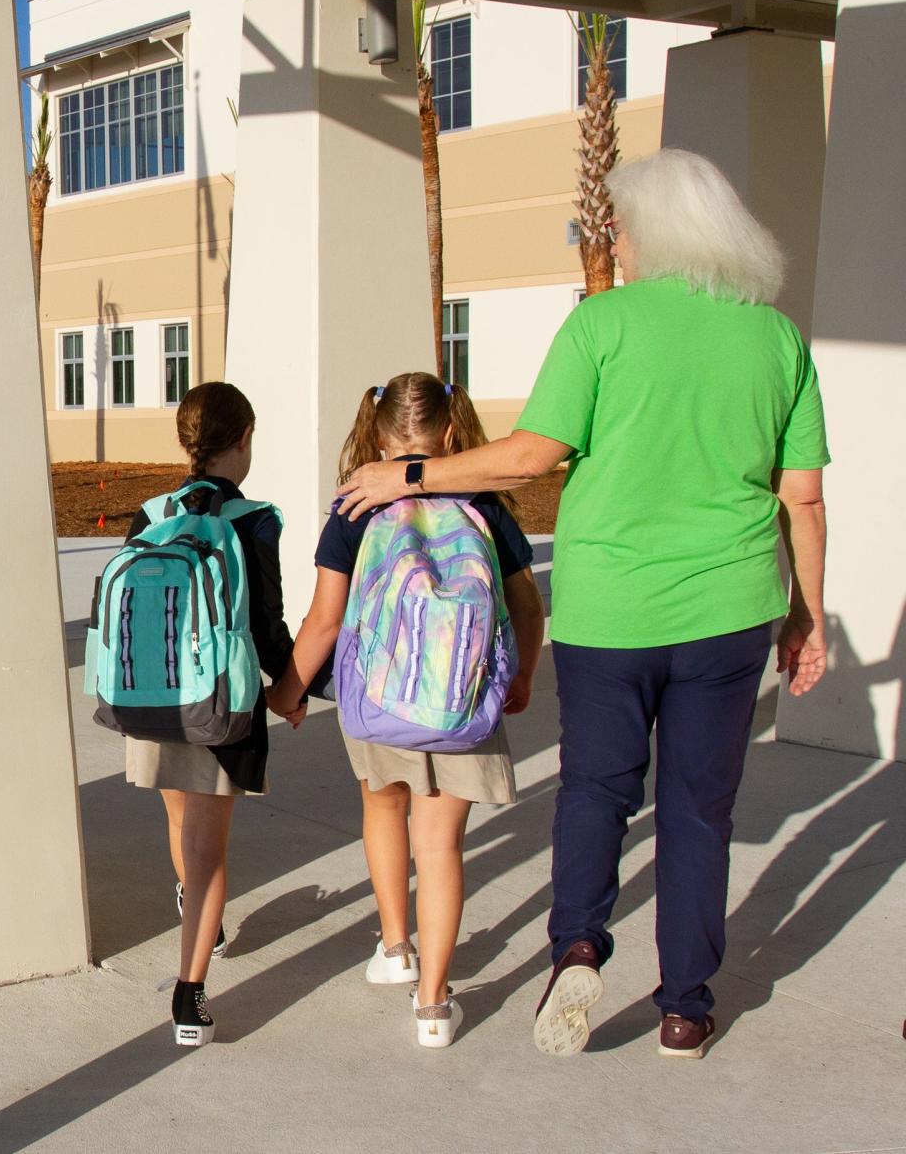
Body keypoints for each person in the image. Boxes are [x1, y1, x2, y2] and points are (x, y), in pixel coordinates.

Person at [335, 149, 830, 1059]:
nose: (620, 244)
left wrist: (408, 471)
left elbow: (530, 456)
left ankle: (577, 942)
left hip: (610, 610)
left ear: (660, 234)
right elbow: (801, 494)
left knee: (597, 790)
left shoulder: (601, 325)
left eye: (625, 228)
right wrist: (808, 614)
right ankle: (684, 1003)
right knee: (697, 807)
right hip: (729, 613)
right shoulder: (777, 339)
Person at [267, 373, 544, 1048]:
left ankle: (395, 947)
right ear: (452, 432)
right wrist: (524, 673)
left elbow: (325, 620)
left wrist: (288, 690)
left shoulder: (355, 507)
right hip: (463, 699)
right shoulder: (484, 500)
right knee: (441, 845)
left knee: (383, 807)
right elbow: (528, 603)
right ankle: (432, 1004)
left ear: (378, 433)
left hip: (382, 692)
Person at [124, 381, 302, 1047]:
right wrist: (293, 687)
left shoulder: (150, 513)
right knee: (208, 848)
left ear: (185, 442)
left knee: (181, 824)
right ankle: (188, 990)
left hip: (152, 694)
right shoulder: (254, 519)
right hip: (220, 701)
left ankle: (198, 915)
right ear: (244, 438)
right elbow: (266, 620)